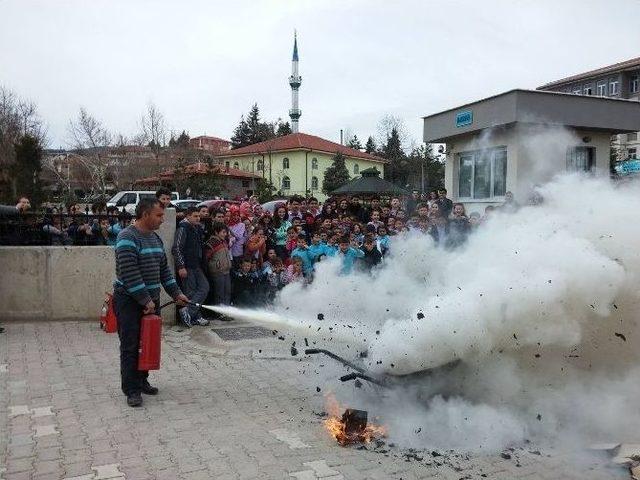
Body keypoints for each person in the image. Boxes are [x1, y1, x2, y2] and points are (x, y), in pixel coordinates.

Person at [114, 197, 189, 407]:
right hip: (129, 300)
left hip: (150, 300)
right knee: (130, 345)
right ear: (145, 214)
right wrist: (144, 299)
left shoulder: (155, 239)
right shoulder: (127, 237)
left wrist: (176, 293)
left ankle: (142, 379)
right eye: (158, 215)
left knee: (147, 341)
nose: (162, 219)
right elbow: (129, 273)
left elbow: (164, 270)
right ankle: (131, 389)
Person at [172, 207, 209, 327]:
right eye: (195, 216)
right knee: (190, 292)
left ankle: (188, 312)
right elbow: (177, 248)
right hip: (187, 266)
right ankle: (195, 317)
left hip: (197, 265)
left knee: (204, 287)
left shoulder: (196, 228)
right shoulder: (183, 228)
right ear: (187, 216)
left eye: (199, 216)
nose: (198, 218)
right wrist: (181, 266)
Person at [205, 221, 232, 315]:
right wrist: (214, 266)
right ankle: (220, 313)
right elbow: (206, 258)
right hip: (217, 272)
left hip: (226, 271)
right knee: (219, 293)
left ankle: (227, 312)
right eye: (223, 232)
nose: (225, 234)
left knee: (227, 292)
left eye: (226, 232)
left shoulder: (224, 241)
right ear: (216, 232)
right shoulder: (211, 243)